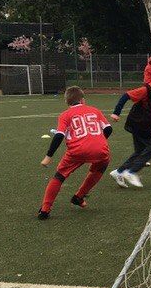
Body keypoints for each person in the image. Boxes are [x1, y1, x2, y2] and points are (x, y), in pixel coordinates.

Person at [38, 86, 112, 219]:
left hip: (77, 151)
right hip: (100, 150)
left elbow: (59, 135)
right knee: (102, 165)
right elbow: (108, 129)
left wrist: (48, 156)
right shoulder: (95, 110)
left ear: (67, 102)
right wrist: (98, 140)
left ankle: (45, 210)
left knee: (59, 176)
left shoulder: (65, 115)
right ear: (83, 100)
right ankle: (79, 196)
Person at [109, 79, 151, 188]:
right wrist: (116, 113)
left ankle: (119, 171)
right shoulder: (147, 89)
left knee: (140, 150)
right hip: (138, 123)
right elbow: (126, 96)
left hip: (143, 124)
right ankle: (131, 172)